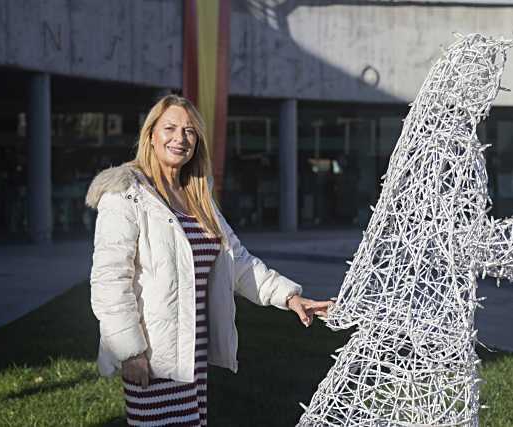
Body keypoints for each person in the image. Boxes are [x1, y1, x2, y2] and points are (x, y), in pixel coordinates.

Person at [85, 94, 333, 426]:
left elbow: (238, 262)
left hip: (192, 354)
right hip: (153, 358)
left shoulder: (196, 195)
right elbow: (109, 282)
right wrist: (130, 352)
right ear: (150, 135)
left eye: (189, 131)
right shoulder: (126, 193)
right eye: (170, 128)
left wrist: (290, 297)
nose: (180, 138)